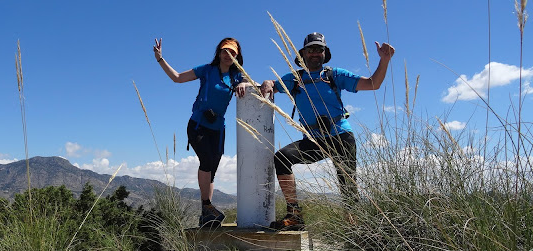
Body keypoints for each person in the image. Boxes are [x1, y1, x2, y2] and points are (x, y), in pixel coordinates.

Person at [260, 32, 395, 230]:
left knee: (348, 188)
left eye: (319, 49)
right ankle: (294, 215)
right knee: (282, 158)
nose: (315, 53)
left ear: (325, 53)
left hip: (341, 137)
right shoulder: (294, 79)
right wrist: (268, 82)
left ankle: (355, 233)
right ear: (303, 54)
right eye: (311, 49)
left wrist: (384, 60)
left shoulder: (334, 75)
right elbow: (273, 84)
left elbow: (373, 84)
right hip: (314, 140)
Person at [153, 37, 248, 226]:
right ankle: (206, 206)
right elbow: (177, 78)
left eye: (232, 52)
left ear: (238, 56)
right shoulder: (207, 70)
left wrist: (245, 83)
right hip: (198, 125)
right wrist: (160, 59)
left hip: (218, 129)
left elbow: (250, 83)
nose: (228, 55)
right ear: (219, 53)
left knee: (212, 169)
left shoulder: (237, 75)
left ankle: (207, 215)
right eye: (225, 51)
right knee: (206, 160)